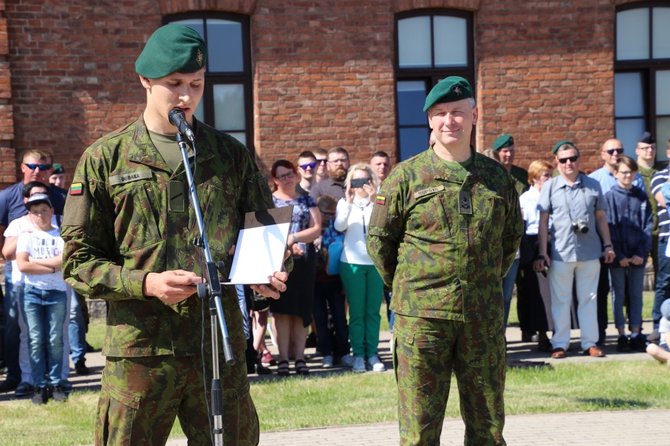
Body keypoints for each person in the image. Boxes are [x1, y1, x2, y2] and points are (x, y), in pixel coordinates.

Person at [60, 24, 287, 445]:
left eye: (196, 84)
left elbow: (268, 231)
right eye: (174, 84)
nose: (186, 96)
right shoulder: (105, 159)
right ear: (145, 80)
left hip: (216, 346)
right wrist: (145, 283)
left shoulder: (228, 154)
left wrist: (267, 271)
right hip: (140, 352)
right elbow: (77, 262)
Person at [367, 76, 522, 445]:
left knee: (487, 427)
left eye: (457, 112)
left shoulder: (496, 178)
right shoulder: (406, 177)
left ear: (474, 115)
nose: (449, 121)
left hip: (481, 317)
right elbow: (380, 243)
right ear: (429, 121)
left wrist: (478, 280)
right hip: (422, 319)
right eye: (440, 113)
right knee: (419, 430)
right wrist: (414, 286)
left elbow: (509, 239)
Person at [534, 141, 616, 359]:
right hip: (561, 251)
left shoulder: (592, 185)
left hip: (589, 250)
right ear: (557, 163)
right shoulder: (550, 186)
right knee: (560, 300)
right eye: (563, 160)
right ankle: (560, 343)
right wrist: (543, 252)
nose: (568, 163)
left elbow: (600, 217)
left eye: (572, 158)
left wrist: (608, 245)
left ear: (579, 160)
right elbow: (543, 222)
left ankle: (590, 343)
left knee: (589, 298)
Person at [0, 149, 65, 394]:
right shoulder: (8, 197)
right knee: (16, 327)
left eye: (44, 167)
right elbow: (6, 248)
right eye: (32, 166)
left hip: (55, 277)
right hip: (19, 276)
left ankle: (53, 379)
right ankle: (17, 376)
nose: (38, 171)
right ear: (22, 167)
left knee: (55, 332)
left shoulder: (59, 197)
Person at [269, 160, 322, 376]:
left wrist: (294, 238)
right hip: (279, 264)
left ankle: (300, 358)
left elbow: (317, 228)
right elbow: (266, 230)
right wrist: (286, 246)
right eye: (282, 176)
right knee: (281, 312)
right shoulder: (269, 201)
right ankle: (283, 359)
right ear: (275, 179)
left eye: (290, 174)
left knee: (301, 312)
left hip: (304, 263)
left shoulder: (307, 200)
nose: (288, 178)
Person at [15, 193, 68, 404]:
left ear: (52, 211)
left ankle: (56, 383)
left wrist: (38, 262)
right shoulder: (26, 236)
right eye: (35, 212)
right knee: (35, 339)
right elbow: (23, 265)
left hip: (57, 292)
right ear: (30, 215)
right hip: (32, 293)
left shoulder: (59, 235)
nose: (40, 215)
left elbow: (64, 260)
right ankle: (39, 385)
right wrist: (52, 265)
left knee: (55, 339)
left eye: (44, 210)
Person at [335, 163, 385, 373]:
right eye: (356, 181)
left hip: (375, 263)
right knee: (356, 312)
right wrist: (348, 201)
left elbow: (385, 223)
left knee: (373, 311)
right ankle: (358, 355)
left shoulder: (380, 201)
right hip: (352, 263)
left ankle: (372, 353)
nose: (361, 185)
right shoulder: (344, 202)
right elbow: (339, 226)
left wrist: (375, 200)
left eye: (365, 180)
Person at [589, 138, 638, 346]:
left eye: (619, 149)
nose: (615, 153)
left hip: (630, 246)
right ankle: (601, 334)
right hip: (603, 244)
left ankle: (634, 332)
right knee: (603, 291)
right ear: (602, 154)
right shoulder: (594, 179)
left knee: (631, 293)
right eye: (611, 150)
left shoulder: (634, 180)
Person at [604, 156, 652, 352]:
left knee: (635, 295)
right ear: (616, 173)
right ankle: (621, 333)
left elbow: (647, 225)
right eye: (623, 172)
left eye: (631, 172)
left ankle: (635, 333)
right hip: (618, 258)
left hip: (637, 256)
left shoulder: (641, 195)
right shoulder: (610, 197)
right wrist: (620, 255)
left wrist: (641, 253)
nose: (627, 175)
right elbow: (609, 226)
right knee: (618, 294)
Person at [491, 133, 529, 330]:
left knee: (509, 294)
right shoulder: (491, 174)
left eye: (512, 151)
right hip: (497, 240)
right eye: (505, 151)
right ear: (498, 153)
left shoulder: (521, 176)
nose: (509, 155)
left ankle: (503, 332)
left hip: (519, 240)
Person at [517, 160, 554, 352]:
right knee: (539, 292)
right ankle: (541, 333)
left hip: (554, 240)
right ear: (534, 178)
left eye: (550, 175)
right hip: (532, 244)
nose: (549, 179)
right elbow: (524, 226)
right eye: (545, 175)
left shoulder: (555, 195)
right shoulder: (525, 199)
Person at [650, 138, 670, 343]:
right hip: (668, 236)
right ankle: (658, 326)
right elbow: (663, 199)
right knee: (664, 282)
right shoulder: (660, 176)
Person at [646, 299, 670, 364]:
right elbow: (668, 337)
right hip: (667, 346)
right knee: (651, 348)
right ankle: (668, 357)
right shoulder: (664, 321)